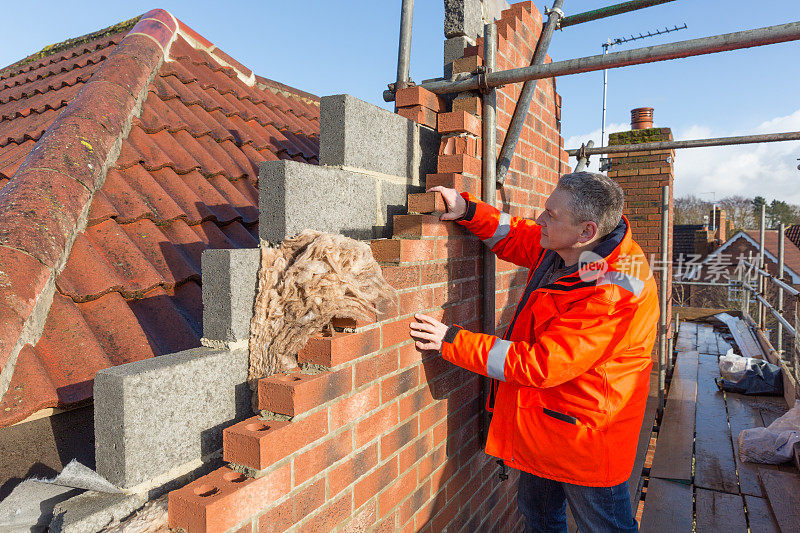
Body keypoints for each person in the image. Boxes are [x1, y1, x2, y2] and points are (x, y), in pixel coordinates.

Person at [409, 171, 659, 532]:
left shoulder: (613, 291)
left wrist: (453, 341)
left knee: (606, 526)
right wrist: (467, 210)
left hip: (585, 437)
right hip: (545, 422)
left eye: (551, 215)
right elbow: (519, 236)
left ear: (586, 231)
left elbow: (542, 364)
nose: (540, 220)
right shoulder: (579, 249)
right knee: (539, 516)